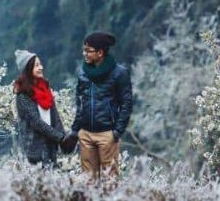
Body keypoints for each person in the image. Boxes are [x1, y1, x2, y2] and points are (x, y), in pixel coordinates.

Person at [63, 32, 133, 180]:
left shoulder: (120, 73)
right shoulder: (83, 72)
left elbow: (126, 104)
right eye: (83, 50)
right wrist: (75, 131)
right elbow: (80, 102)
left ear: (100, 52)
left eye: (88, 50)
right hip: (86, 134)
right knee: (88, 182)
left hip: (107, 134)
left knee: (110, 181)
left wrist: (116, 132)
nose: (84, 54)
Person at [13, 49, 65, 167]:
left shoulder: (45, 90)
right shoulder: (23, 95)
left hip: (50, 148)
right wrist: (59, 138)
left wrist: (64, 136)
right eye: (36, 65)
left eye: (40, 64)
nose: (41, 67)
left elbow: (55, 116)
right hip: (33, 151)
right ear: (28, 69)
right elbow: (36, 122)